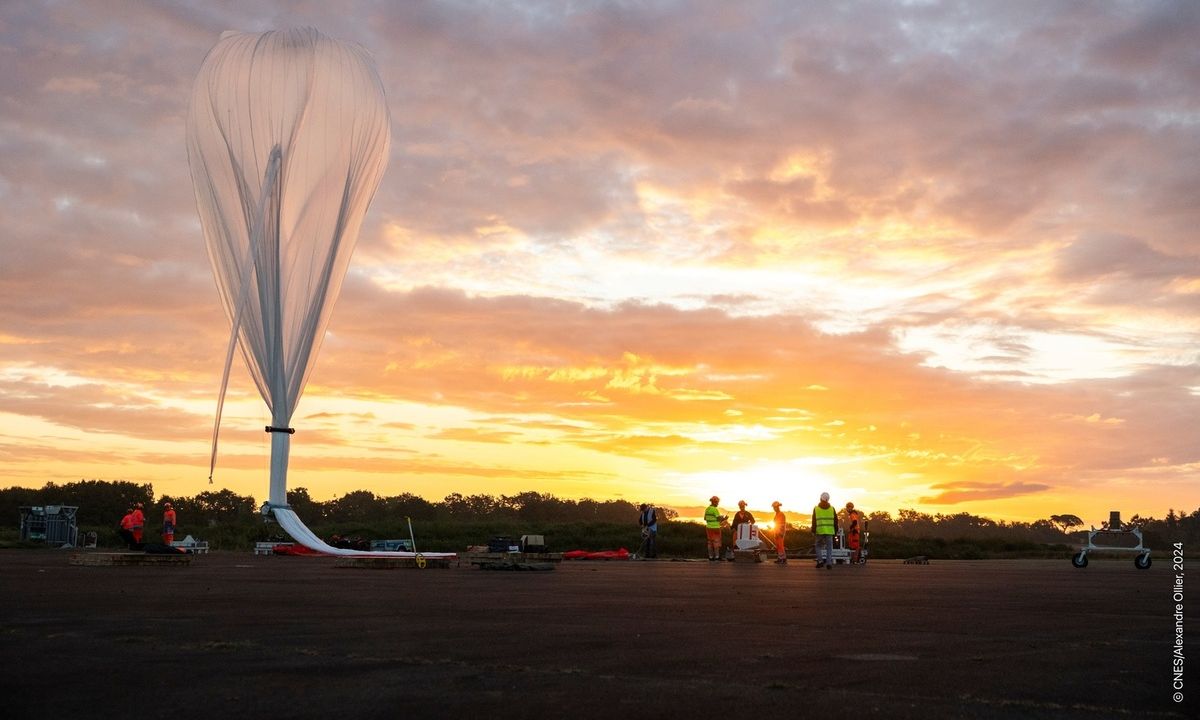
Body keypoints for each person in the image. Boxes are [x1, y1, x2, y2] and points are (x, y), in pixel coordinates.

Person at [812, 492, 838, 569]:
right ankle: (829, 563)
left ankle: (820, 561)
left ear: (820, 498)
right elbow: (835, 521)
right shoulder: (832, 509)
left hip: (819, 531)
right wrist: (835, 531)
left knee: (818, 546)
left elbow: (814, 521)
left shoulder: (816, 509)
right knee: (829, 548)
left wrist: (813, 530)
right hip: (829, 531)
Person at [703, 496, 727, 561]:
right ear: (714, 502)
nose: (718, 504)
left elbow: (705, 518)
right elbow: (719, 518)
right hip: (715, 528)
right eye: (717, 502)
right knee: (716, 542)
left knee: (710, 542)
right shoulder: (715, 509)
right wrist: (724, 518)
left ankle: (710, 557)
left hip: (708, 527)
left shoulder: (707, 509)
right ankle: (717, 556)